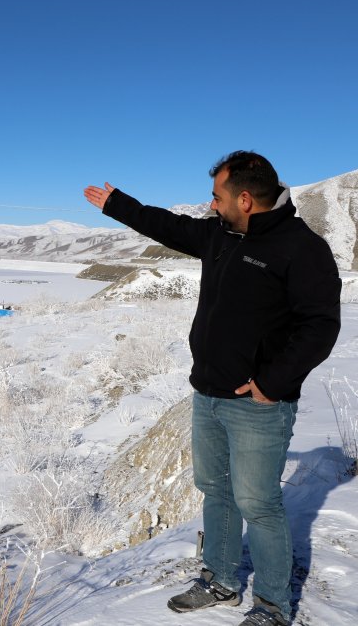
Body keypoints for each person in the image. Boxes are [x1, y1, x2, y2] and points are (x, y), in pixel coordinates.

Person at [83, 151, 341, 626]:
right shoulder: (222, 235)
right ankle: (221, 579)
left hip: (258, 405)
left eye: (217, 197)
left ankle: (271, 605)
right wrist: (118, 204)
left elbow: (320, 326)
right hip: (208, 394)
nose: (210, 205)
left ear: (245, 199)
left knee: (259, 504)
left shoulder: (301, 248)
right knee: (215, 492)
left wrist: (272, 383)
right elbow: (169, 227)